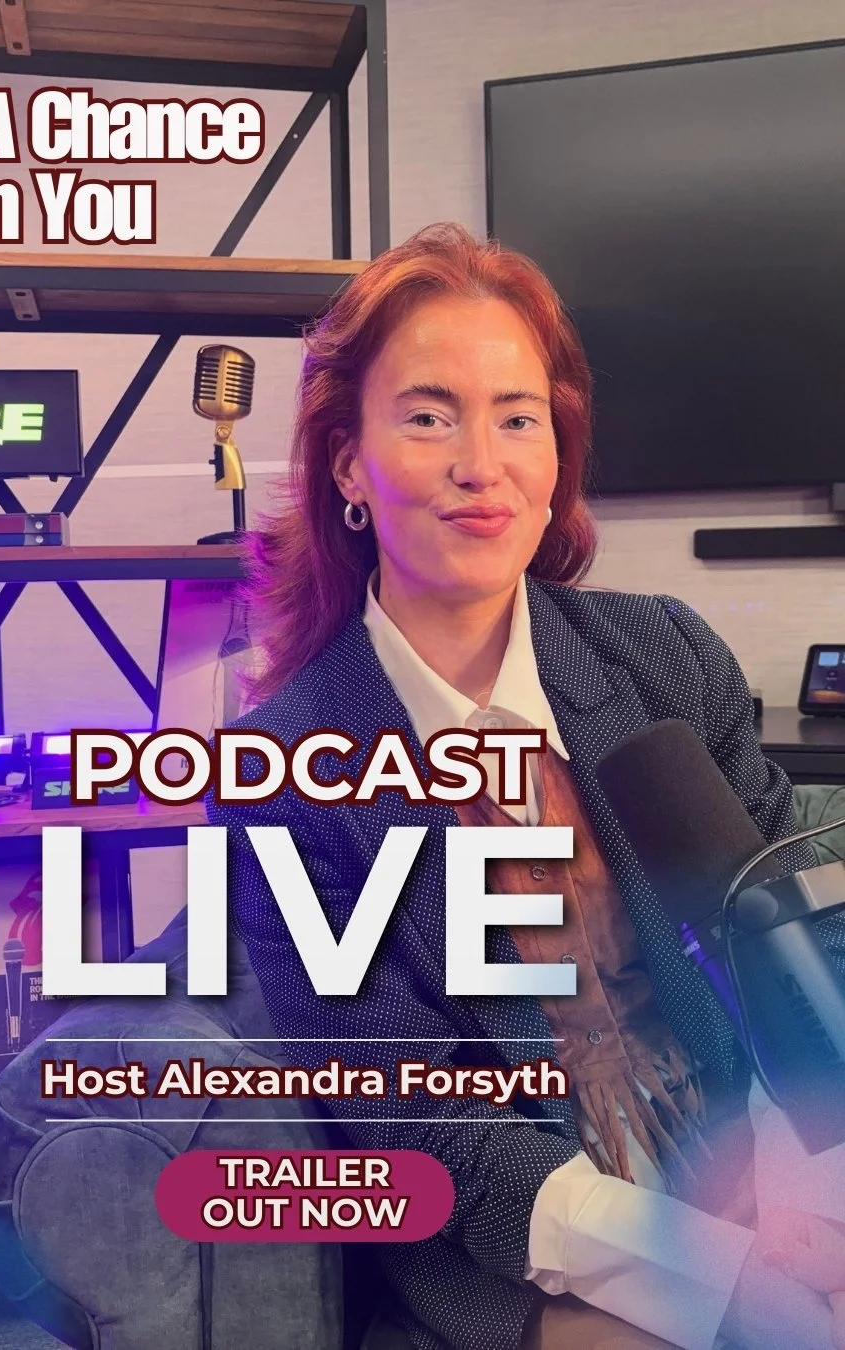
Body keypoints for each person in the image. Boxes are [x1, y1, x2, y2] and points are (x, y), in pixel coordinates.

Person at [205, 223, 845, 1350]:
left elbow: (777, 954)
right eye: (427, 415)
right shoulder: (282, 773)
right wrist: (721, 1274)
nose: (479, 462)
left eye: (517, 417)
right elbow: (412, 1118)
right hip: (524, 1245)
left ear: (557, 458)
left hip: (760, 1183)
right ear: (348, 463)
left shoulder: (664, 662)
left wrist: (804, 1199)